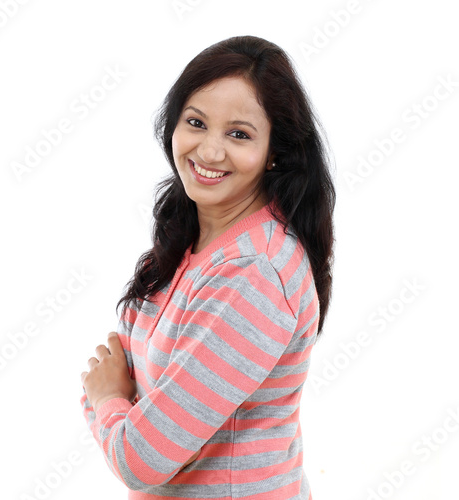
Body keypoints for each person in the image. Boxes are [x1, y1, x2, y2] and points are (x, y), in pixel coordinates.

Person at [80, 34, 336, 499]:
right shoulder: (193, 239)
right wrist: (126, 409)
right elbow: (139, 409)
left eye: (239, 134)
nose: (210, 152)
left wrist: (106, 398)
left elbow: (141, 458)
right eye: (196, 122)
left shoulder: (255, 273)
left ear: (274, 151)